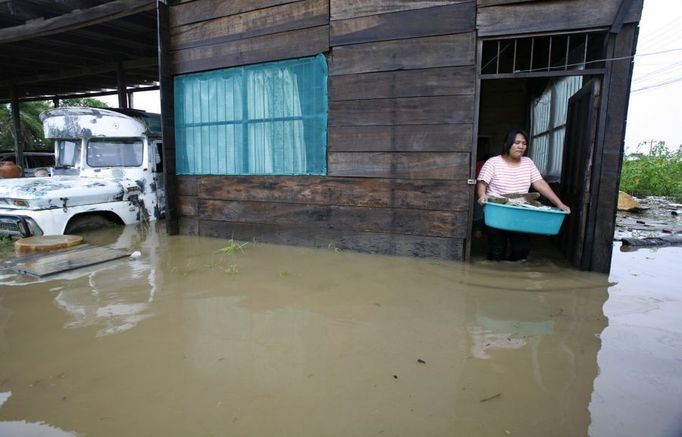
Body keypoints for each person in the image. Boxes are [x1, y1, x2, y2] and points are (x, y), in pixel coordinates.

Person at [476, 128, 570, 261]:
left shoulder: (528, 163)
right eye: (517, 142)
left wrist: (559, 203)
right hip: (498, 211)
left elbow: (540, 184)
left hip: (519, 212)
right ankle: (494, 273)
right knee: (497, 250)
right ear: (507, 144)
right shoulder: (493, 162)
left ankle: (511, 273)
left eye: (524, 143)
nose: (521, 146)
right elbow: (482, 183)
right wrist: (482, 195)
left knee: (522, 250)